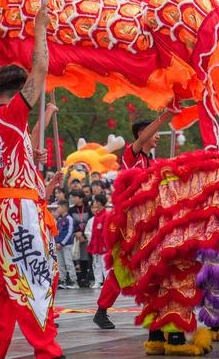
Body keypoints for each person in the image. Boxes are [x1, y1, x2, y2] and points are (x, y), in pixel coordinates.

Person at [0, 1, 65, 359]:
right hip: (18, 212)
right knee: (35, 277)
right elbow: (40, 70)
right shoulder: (11, 115)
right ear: (16, 95)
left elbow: (18, 147)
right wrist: (40, 27)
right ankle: (47, 349)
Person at [93, 110, 176, 331]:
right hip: (130, 222)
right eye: (155, 132)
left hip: (148, 221)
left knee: (155, 265)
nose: (158, 136)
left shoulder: (153, 161)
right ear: (142, 134)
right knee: (122, 268)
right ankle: (102, 310)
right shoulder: (133, 155)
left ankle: (156, 307)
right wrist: (165, 116)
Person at [85, 194, 109, 290]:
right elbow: (94, 232)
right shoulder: (97, 216)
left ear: (99, 202)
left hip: (103, 244)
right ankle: (98, 280)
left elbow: (106, 231)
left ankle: (107, 281)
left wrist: (105, 244)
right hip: (96, 243)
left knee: (104, 264)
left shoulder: (106, 215)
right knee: (96, 263)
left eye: (95, 202)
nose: (94, 203)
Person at [55, 200, 78, 290]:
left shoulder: (69, 219)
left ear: (64, 207)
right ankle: (62, 280)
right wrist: (56, 242)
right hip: (59, 245)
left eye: (59, 207)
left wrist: (62, 243)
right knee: (60, 263)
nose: (57, 209)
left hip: (66, 245)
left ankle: (73, 280)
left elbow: (69, 232)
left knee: (68, 263)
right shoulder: (60, 220)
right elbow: (57, 232)